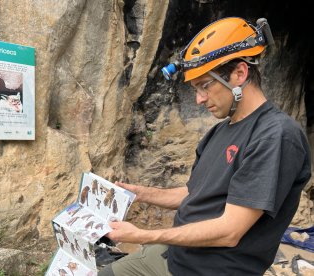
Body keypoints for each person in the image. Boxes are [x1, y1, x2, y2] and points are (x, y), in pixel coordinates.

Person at [98, 17, 312, 275]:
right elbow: (195, 194)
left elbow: (229, 232)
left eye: (205, 86)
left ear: (240, 74)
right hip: (177, 255)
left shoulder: (275, 136)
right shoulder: (219, 132)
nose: (199, 99)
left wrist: (145, 235)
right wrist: (138, 193)